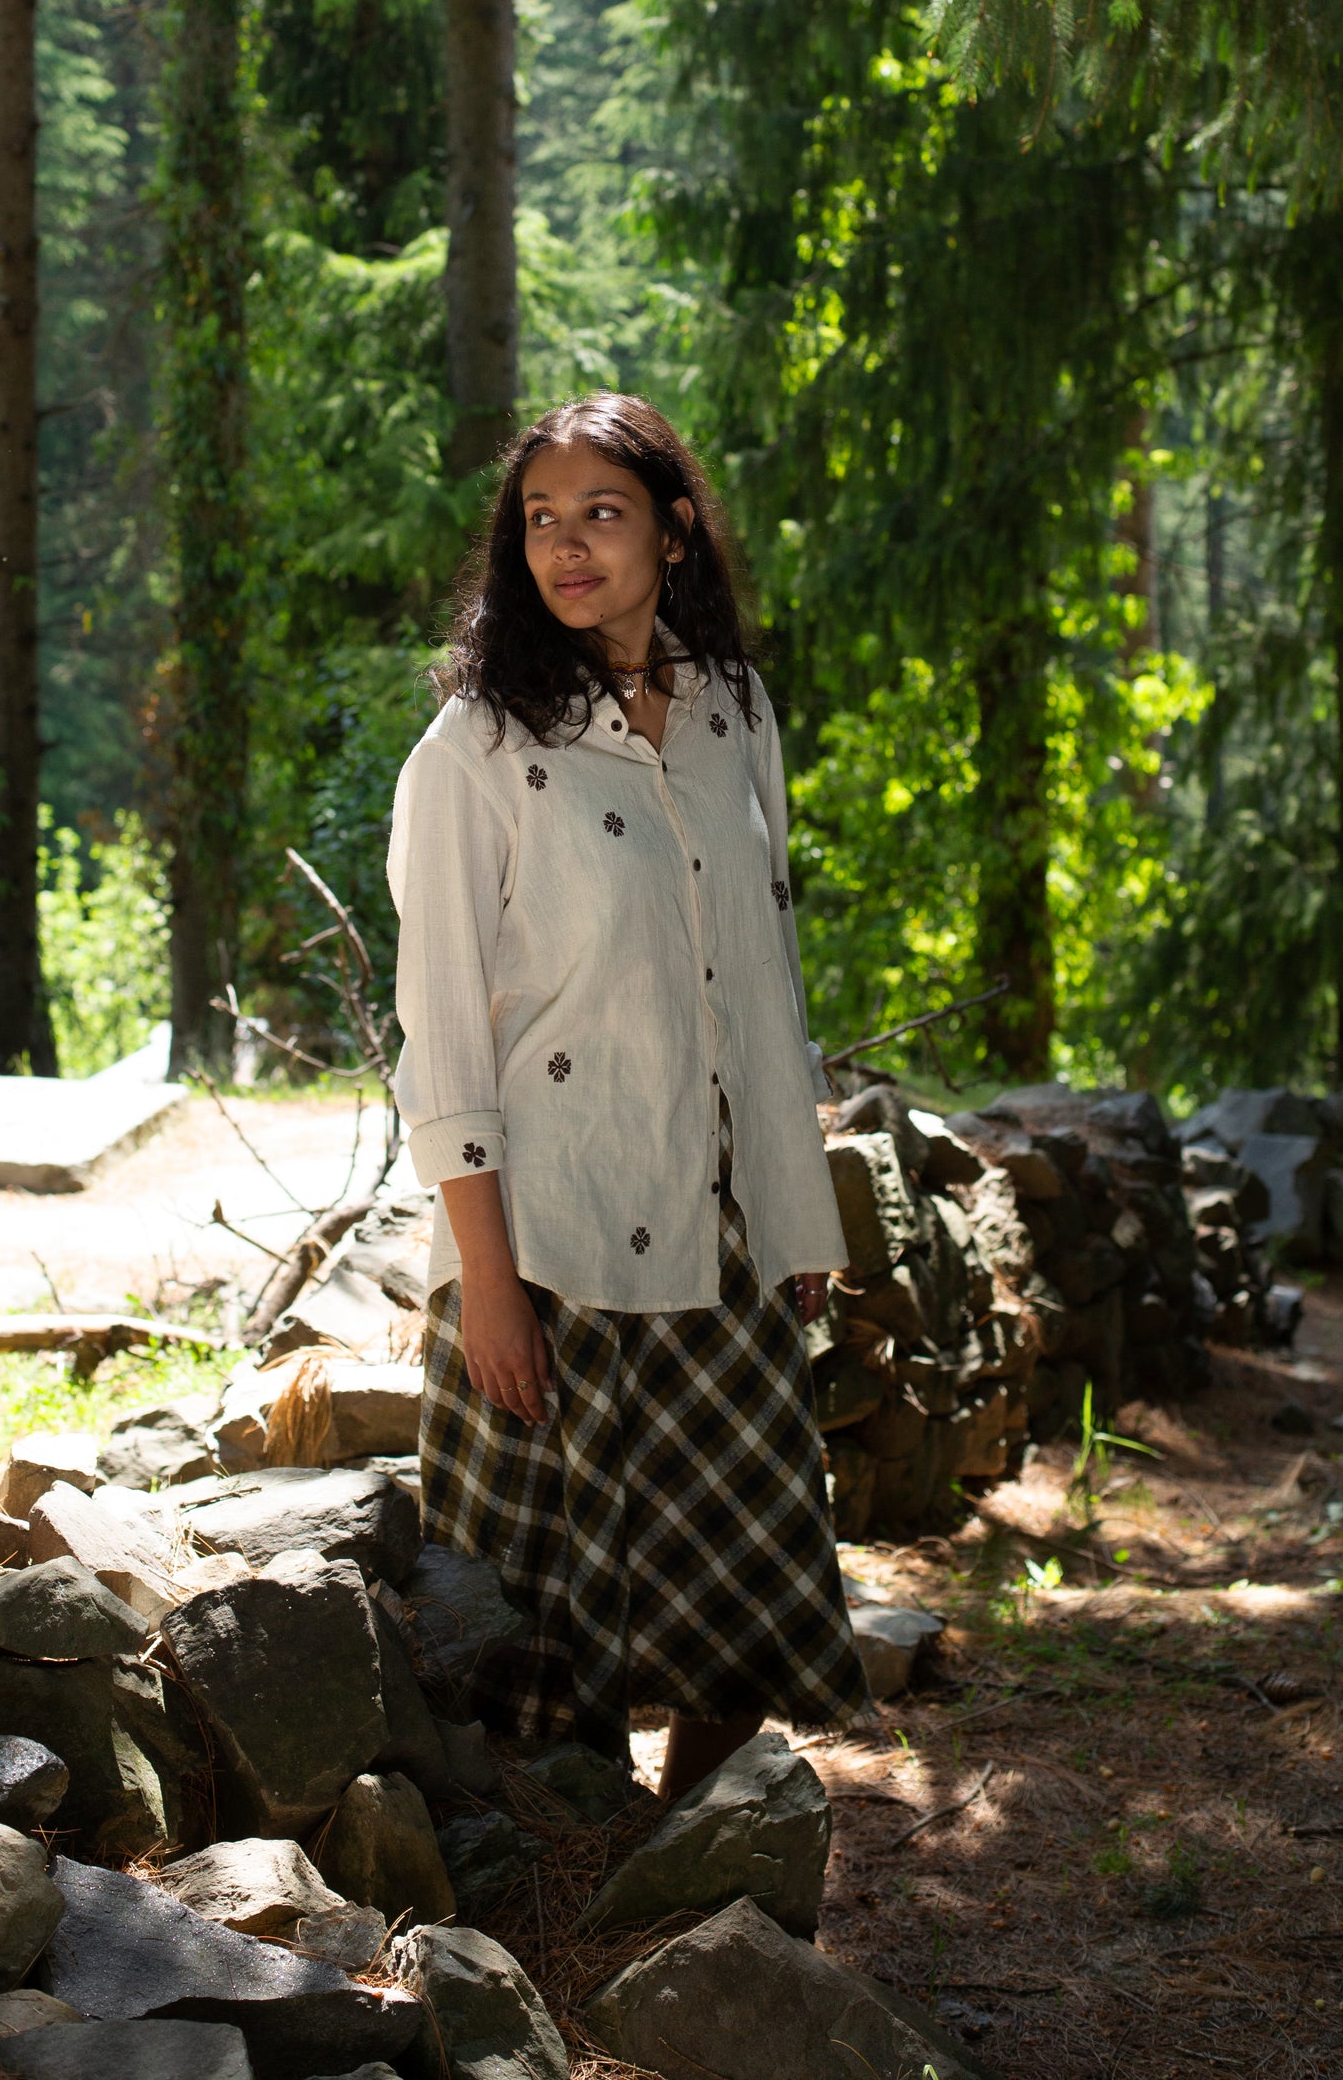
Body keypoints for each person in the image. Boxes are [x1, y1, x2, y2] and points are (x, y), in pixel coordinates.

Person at [387, 393, 871, 1801]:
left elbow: (762, 986)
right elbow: (442, 1035)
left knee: (757, 1592)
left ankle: (679, 1858)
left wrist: (793, 1212)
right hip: (549, 1237)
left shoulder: (732, 708)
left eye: (601, 512)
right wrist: (485, 1282)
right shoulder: (472, 751)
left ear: (671, 527)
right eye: (540, 519)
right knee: (532, 1641)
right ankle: (554, 1898)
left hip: (718, 1222)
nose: (566, 546)